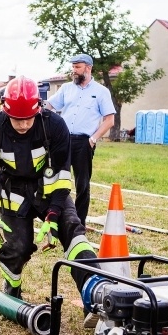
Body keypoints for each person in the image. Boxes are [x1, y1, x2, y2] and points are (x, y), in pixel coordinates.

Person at [0, 76, 96, 300]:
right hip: (12, 192)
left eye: (29, 118)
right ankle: (12, 289)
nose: (24, 125)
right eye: (17, 119)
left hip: (47, 188)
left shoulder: (55, 126)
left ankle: (93, 292)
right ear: (4, 109)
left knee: (72, 229)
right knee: (17, 246)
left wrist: (55, 213)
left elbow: (62, 173)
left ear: (38, 108)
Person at [46, 53, 116, 225]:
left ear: (88, 68)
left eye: (77, 67)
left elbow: (110, 120)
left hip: (84, 143)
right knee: (56, 178)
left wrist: (93, 139)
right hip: (63, 140)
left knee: (82, 184)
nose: (74, 71)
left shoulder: (101, 92)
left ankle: (79, 222)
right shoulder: (66, 89)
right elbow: (48, 106)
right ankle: (54, 217)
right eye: (73, 68)